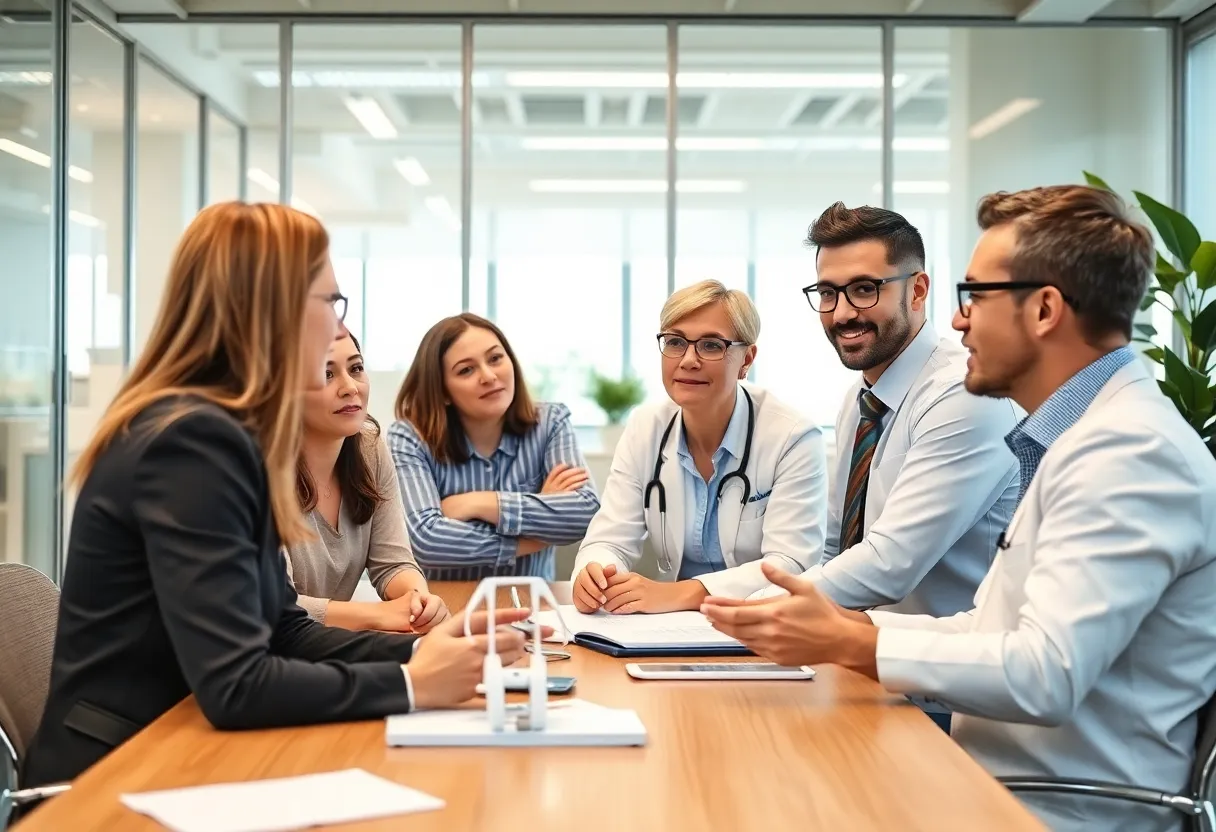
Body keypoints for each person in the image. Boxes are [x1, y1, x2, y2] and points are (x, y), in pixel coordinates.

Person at [702, 184, 1216, 832]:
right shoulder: (1084, 435)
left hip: (1057, 810)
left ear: (1045, 309)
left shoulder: (1130, 451)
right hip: (988, 781)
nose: (957, 320)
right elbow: (991, 629)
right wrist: (853, 635)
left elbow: (1043, 673)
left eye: (975, 296)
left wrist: (851, 643)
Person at [22, 203, 537, 788]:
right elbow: (236, 685)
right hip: (119, 773)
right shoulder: (192, 441)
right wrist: (413, 685)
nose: (339, 327)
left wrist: (422, 655)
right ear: (275, 310)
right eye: (331, 303)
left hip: (176, 741)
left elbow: (282, 627)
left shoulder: (228, 431)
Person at [772, 204, 1023, 729]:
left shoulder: (964, 393)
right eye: (827, 293)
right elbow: (838, 547)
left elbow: (890, 563)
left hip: (944, 696)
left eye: (865, 289)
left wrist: (760, 611)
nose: (842, 313)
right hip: (868, 671)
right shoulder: (860, 400)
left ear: (918, 289)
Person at [571, 279, 828, 614]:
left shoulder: (792, 437)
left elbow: (791, 564)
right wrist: (594, 574)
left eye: (710, 345)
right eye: (675, 342)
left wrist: (684, 594)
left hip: (763, 625)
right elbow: (608, 539)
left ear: (746, 359)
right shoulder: (645, 427)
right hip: (672, 626)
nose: (688, 360)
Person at [389, 313, 600, 582]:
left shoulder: (551, 423)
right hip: (446, 610)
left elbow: (584, 514)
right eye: (466, 370)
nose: (488, 376)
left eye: (495, 359)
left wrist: (477, 503)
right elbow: (426, 540)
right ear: (442, 391)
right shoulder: (409, 438)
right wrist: (535, 533)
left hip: (531, 609)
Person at [286, 331, 450, 633]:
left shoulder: (370, 447)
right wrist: (378, 614)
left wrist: (417, 599)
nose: (350, 388)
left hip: (328, 650)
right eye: (326, 374)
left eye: (356, 368)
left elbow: (392, 562)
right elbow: (273, 609)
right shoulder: (260, 469)